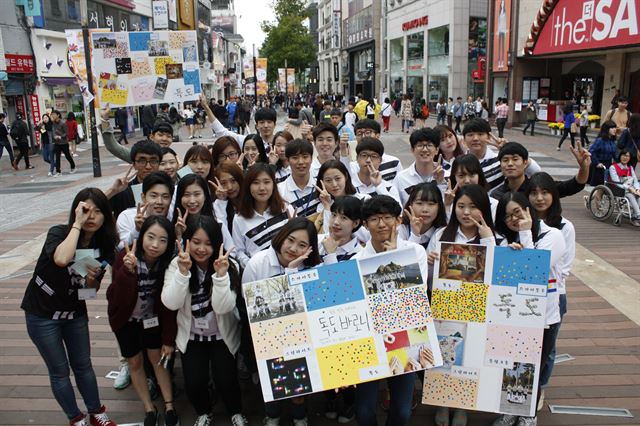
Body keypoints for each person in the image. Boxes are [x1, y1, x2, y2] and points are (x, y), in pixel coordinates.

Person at [21, 188, 118, 426]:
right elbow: (62, 259)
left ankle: (96, 412)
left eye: (98, 211)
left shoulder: (103, 247)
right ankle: (76, 418)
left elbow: (88, 294)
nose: (91, 217)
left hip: (74, 314)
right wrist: (77, 225)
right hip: (42, 314)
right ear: (76, 212)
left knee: (83, 365)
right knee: (60, 371)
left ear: (106, 215)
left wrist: (93, 281)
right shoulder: (58, 233)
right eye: (85, 211)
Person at [162, 215, 249, 426]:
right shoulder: (177, 263)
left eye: (209, 244)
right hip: (192, 336)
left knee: (226, 380)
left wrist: (220, 276)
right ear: (187, 241)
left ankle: (236, 411)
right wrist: (183, 273)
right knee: (194, 382)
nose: (202, 249)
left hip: (222, 336)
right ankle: (204, 411)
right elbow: (170, 303)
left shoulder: (230, 265)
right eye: (196, 242)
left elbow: (223, 307)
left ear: (218, 244)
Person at [492, 190, 567, 426]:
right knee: (513, 364)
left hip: (544, 315)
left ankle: (528, 415)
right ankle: (510, 410)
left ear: (528, 209)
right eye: (508, 216)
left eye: (517, 211)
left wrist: (525, 234)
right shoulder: (506, 241)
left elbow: (537, 269)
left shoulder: (552, 235)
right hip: (513, 314)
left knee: (534, 366)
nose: (514, 219)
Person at [354, 195, 429, 426]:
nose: (382, 224)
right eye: (374, 219)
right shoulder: (357, 260)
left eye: (387, 218)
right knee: (364, 413)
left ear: (398, 221)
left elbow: (413, 298)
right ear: (365, 225)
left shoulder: (415, 252)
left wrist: (394, 258)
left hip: (405, 337)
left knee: (402, 411)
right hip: (369, 340)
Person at [242, 218, 322, 426]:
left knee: (298, 381)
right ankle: (273, 415)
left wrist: (293, 271)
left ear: (310, 248)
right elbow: (248, 302)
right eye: (291, 240)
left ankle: (299, 416)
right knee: (273, 379)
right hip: (265, 332)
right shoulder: (257, 263)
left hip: (301, 331)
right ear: (281, 237)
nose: (294, 248)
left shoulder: (310, 266)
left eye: (302, 245)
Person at [108, 215, 179, 426]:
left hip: (152, 318)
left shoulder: (167, 264)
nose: (155, 245)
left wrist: (168, 339)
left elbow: (168, 306)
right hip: (126, 320)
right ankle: (149, 407)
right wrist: (126, 273)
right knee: (134, 362)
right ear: (142, 236)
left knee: (157, 358)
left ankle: (169, 406)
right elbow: (115, 299)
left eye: (163, 240)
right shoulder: (125, 256)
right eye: (150, 237)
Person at [233, 163, 292, 268]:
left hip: (290, 268)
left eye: (267, 182)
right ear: (248, 186)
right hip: (261, 275)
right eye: (255, 183)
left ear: (273, 184)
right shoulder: (239, 219)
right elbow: (239, 251)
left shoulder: (286, 209)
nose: (262, 188)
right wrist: (253, 267)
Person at [491, 142, 589, 201]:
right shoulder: (496, 195)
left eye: (515, 159)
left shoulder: (539, 187)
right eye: (505, 160)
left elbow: (574, 186)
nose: (510, 164)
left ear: (525, 163)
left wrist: (584, 168)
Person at [116, 171, 174, 250]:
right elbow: (121, 248)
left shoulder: (175, 218)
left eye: (165, 196)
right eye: (154, 196)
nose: (159, 202)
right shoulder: (127, 216)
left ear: (171, 199)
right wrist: (137, 230)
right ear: (143, 197)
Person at [109, 140, 163, 219]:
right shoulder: (122, 191)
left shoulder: (167, 189)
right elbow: (90, 207)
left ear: (159, 164)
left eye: (153, 161)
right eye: (142, 161)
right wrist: (112, 191)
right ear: (134, 164)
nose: (148, 166)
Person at [392, 127, 446, 207]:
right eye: (420, 145)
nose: (425, 149)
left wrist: (441, 183)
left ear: (437, 150)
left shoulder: (447, 176)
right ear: (412, 150)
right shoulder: (401, 178)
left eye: (429, 145)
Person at [101, 107, 173, 164]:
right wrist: (105, 120)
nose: (164, 139)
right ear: (151, 137)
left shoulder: (173, 157)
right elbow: (114, 147)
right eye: (160, 135)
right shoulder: (141, 154)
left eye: (168, 136)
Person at [278, 139, 321, 219]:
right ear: (287, 161)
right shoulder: (280, 191)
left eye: (305, 157)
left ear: (311, 159)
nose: (301, 162)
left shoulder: (321, 186)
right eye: (295, 158)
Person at [399, 182, 447, 250]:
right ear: (411, 204)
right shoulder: (401, 229)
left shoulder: (443, 232)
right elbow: (404, 259)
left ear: (439, 207)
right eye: (419, 203)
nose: (425, 210)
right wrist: (415, 235)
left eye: (431, 204)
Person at [318, 195, 364, 263]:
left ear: (356, 223)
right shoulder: (316, 241)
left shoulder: (359, 254)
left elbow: (337, 274)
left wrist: (330, 254)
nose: (336, 222)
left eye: (343, 218)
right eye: (333, 215)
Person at [609, 150, 640, 226]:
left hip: (631, 188)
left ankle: (634, 216)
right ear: (620, 156)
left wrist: (637, 189)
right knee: (631, 195)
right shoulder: (613, 167)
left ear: (630, 158)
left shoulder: (630, 168)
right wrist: (629, 188)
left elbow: (635, 180)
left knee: (639, 195)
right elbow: (616, 182)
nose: (625, 157)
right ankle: (638, 215)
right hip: (619, 188)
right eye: (623, 155)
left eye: (627, 156)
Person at [212, 162, 244, 233]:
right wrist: (221, 201)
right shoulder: (217, 205)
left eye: (233, 181)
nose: (229, 187)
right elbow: (223, 232)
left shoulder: (252, 199)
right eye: (223, 183)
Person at [589, 120, 618, 186]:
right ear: (607, 129)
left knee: (606, 186)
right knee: (600, 186)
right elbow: (591, 151)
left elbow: (614, 154)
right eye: (612, 128)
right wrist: (597, 163)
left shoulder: (612, 141)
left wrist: (620, 162)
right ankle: (595, 196)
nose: (615, 129)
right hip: (599, 166)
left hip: (609, 165)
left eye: (615, 128)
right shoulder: (600, 140)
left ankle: (596, 196)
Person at [51, 110, 77, 175]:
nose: (53, 116)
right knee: (57, 157)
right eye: (52, 114)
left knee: (67, 155)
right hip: (57, 143)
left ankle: (73, 166)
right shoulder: (53, 123)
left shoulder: (63, 123)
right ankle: (58, 171)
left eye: (54, 114)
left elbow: (67, 133)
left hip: (64, 143)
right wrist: (54, 136)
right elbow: (53, 131)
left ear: (58, 115)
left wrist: (61, 136)